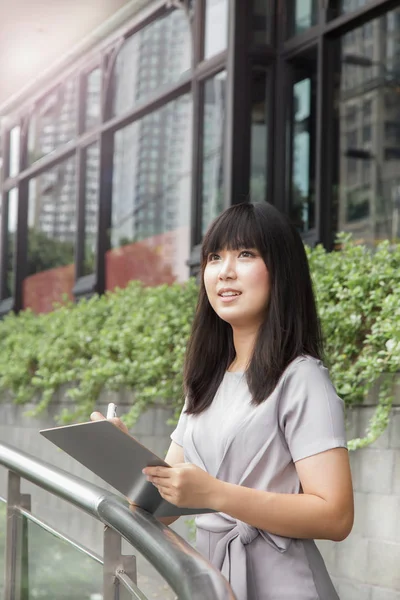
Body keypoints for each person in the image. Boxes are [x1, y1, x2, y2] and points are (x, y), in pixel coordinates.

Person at [92, 202, 354, 600]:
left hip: (287, 586)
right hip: (214, 583)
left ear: (280, 271)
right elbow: (165, 505)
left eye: (245, 254)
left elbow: (335, 516)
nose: (225, 271)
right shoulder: (207, 380)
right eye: (215, 257)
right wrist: (119, 452)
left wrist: (215, 494)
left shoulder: (302, 378)